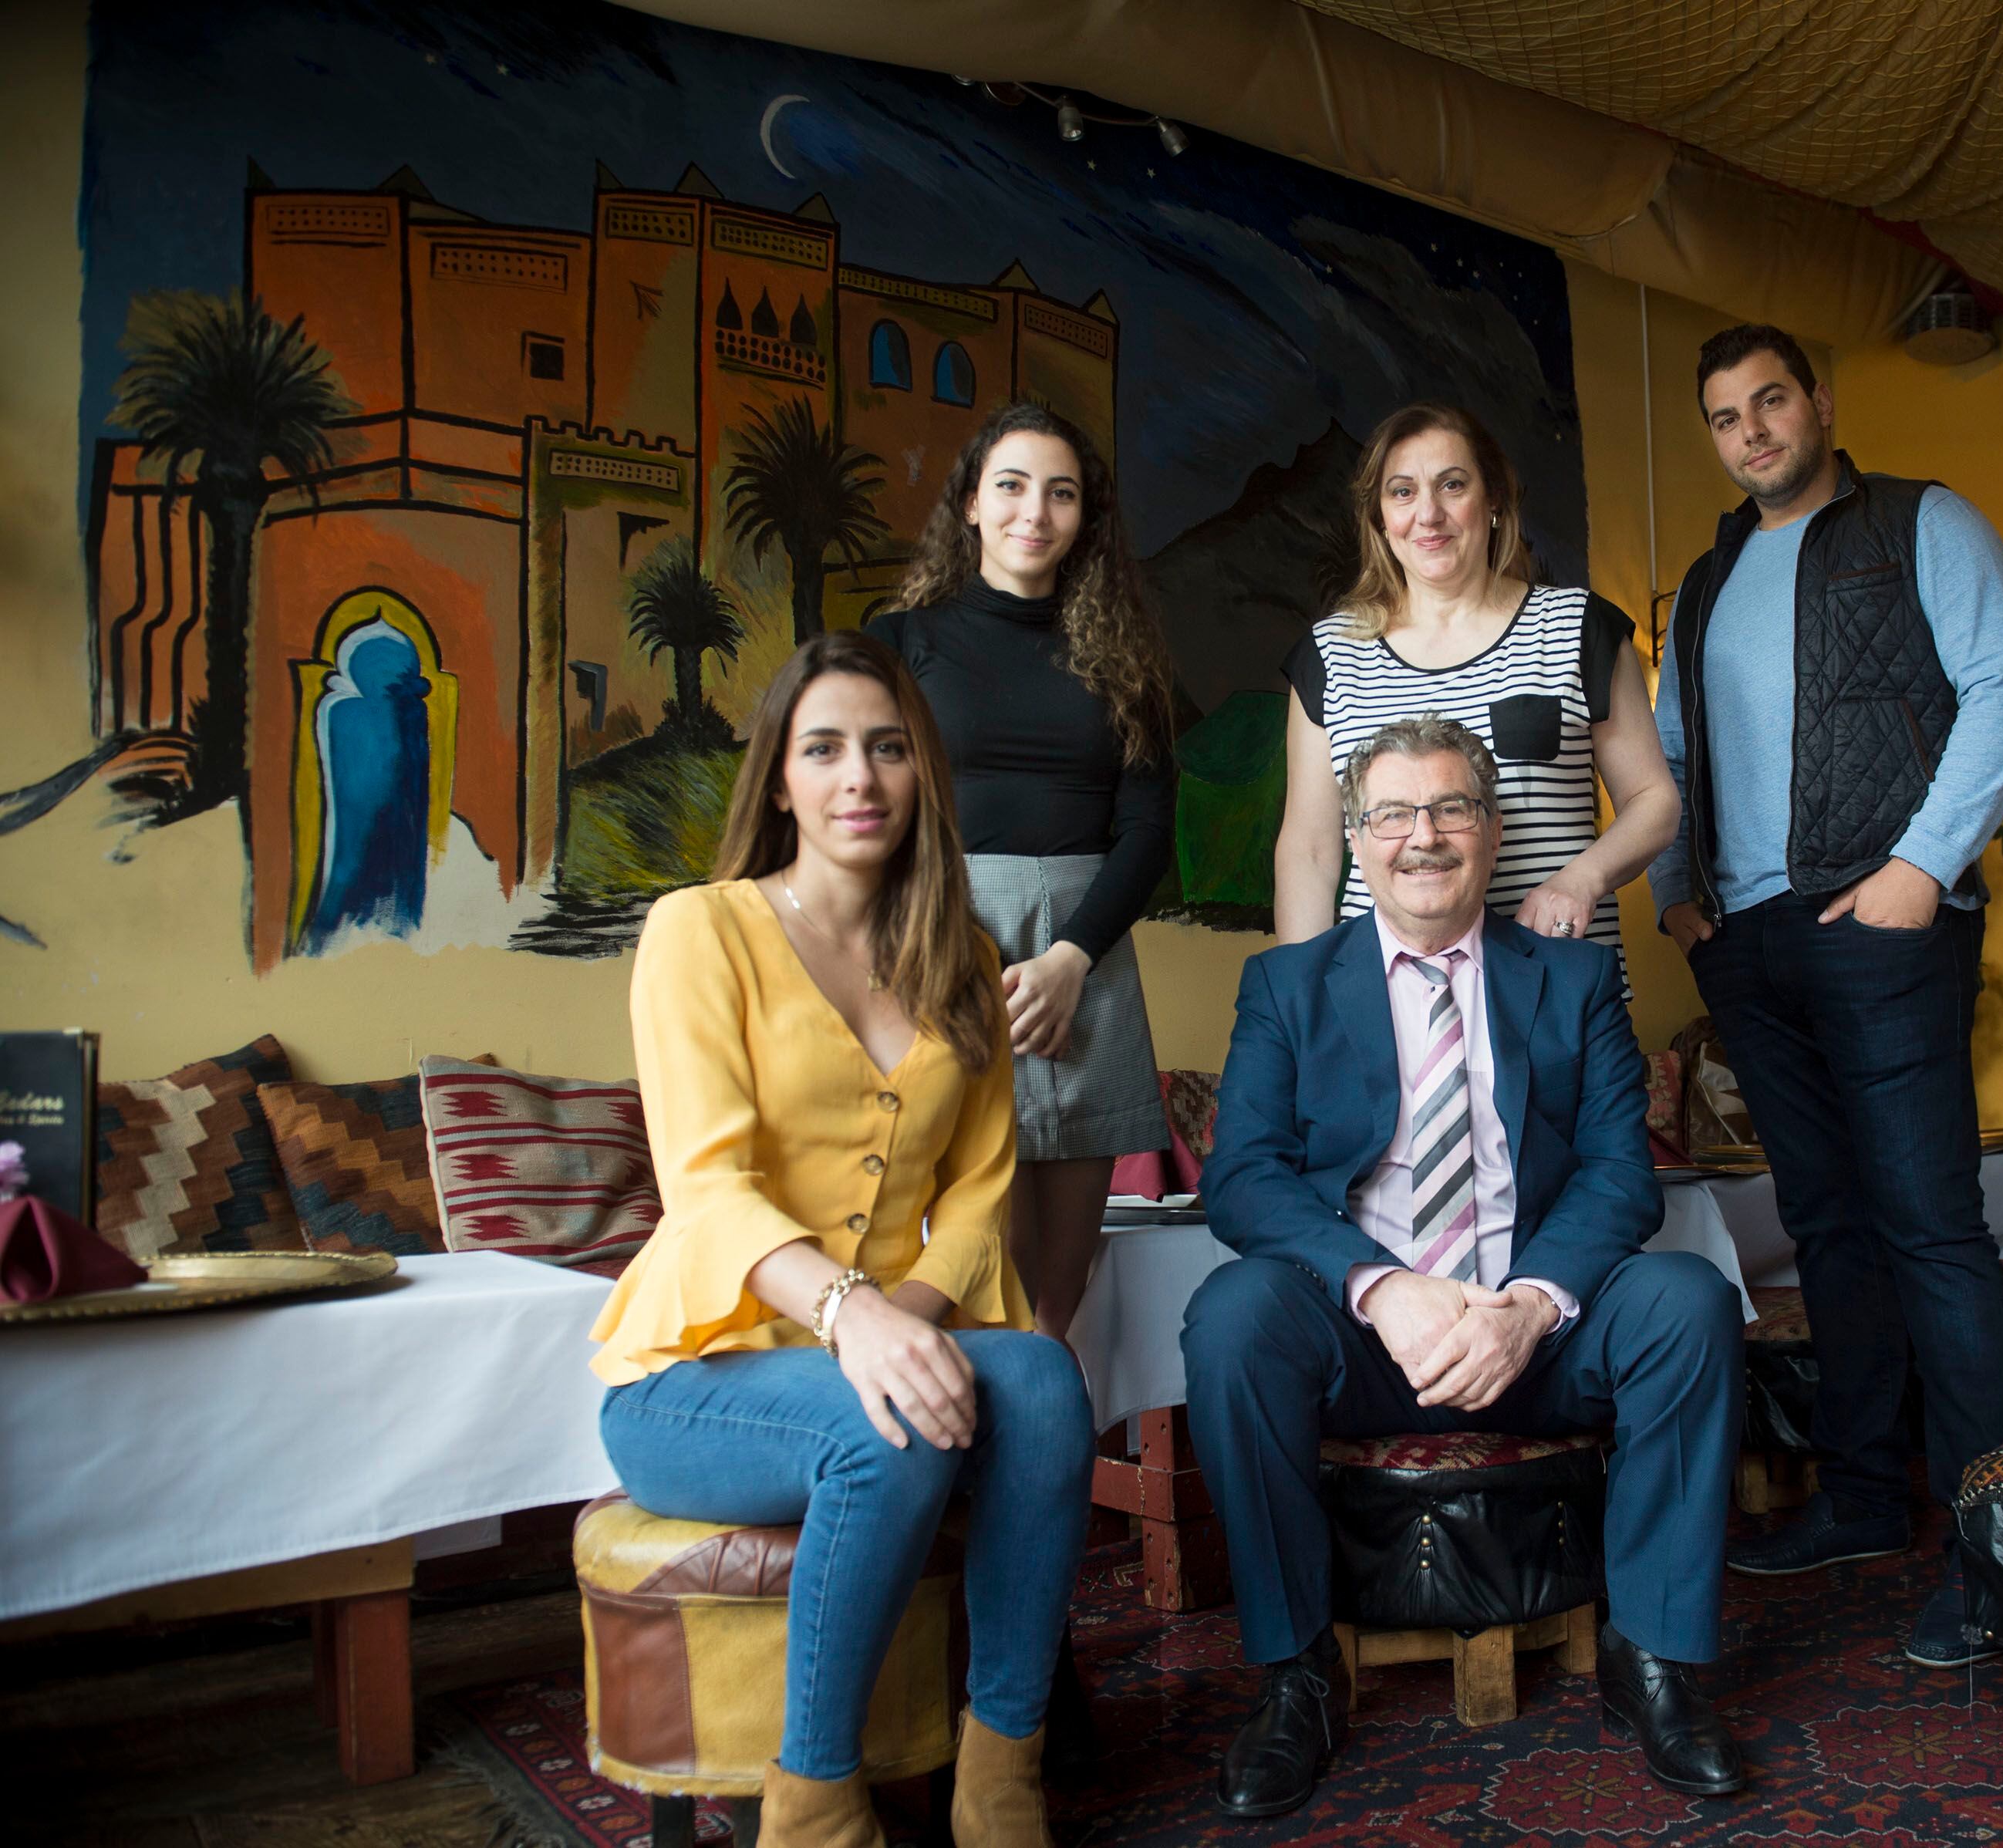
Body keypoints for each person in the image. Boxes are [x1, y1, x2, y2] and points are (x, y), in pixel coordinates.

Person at [1185, 714, 1745, 1819]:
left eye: (1452, 808)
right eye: (1394, 813)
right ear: (1356, 839)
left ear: (1492, 833)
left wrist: (1530, 1307)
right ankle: (1293, 1676)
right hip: (1364, 1337)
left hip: (1534, 1334)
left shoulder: (1573, 981)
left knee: (1689, 1301)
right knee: (1233, 1319)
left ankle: (1657, 1661)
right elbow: (1244, 1178)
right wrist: (1381, 1289)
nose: (1423, 836)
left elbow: (1617, 1177)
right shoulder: (1288, 987)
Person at [590, 632, 1091, 1848]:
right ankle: (810, 1804)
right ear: (780, 782)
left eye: (886, 748)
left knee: (1043, 1376)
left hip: (867, 1344)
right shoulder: (698, 932)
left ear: (922, 776)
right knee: (892, 1432)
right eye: (824, 749)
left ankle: (1000, 1768)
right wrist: (851, 1323)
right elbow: (706, 1190)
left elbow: (976, 1204)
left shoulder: (964, 961)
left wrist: (898, 1330)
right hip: (694, 1379)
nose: (858, 776)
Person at [1651, 324, 2003, 1667]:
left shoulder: (1922, 523)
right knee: (1828, 1228)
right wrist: (1675, 894)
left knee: (1930, 1226)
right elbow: (1661, 753)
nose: (1752, 429)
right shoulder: (1703, 584)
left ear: (1821, 403)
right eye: (1725, 415)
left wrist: (1921, 869)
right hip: (1749, 943)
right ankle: (1867, 1498)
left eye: (1771, 400)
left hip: (1880, 925)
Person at [868, 402, 1178, 1339]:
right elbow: (872, 807)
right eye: (1009, 485)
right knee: (974, 1261)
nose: (1033, 511)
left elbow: (1152, 829)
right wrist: (934, 942)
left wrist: (1073, 956)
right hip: (949, 940)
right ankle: (977, 1464)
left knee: (1060, 1289)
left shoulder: (1129, 662)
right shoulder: (899, 642)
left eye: (1061, 492)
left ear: (1086, 517)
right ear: (970, 503)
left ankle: (1055, 1455)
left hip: (1088, 950)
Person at [1273, 403, 1678, 974]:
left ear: (1492, 501)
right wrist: (1300, 1002)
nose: (1429, 514)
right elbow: (1310, 850)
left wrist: (1583, 879)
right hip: (1380, 998)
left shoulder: (1577, 628)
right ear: (1380, 519)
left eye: (1452, 485)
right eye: (1403, 492)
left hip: (1554, 985)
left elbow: (1654, 802)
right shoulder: (1330, 655)